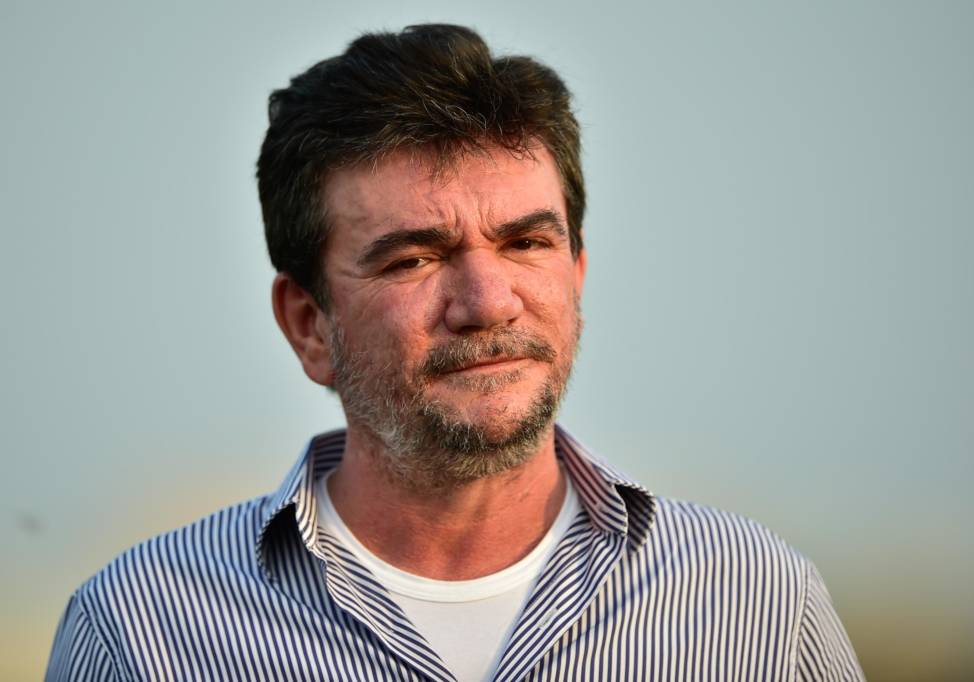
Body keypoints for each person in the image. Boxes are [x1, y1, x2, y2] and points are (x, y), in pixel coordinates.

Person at [47, 24, 864, 682]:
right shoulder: (141, 630)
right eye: (413, 259)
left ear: (577, 275)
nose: (487, 302)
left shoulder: (756, 603)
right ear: (307, 324)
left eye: (526, 243)